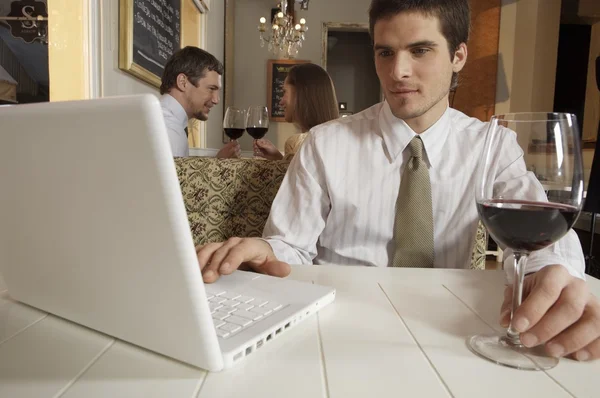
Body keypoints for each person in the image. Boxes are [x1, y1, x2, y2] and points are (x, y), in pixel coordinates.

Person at [196, 0, 600, 362]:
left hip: (448, 334)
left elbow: (542, 233)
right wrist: (263, 250)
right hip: (333, 329)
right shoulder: (325, 143)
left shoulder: (491, 147)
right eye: (385, 53)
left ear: (459, 55)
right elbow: (290, 247)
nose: (398, 71)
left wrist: (553, 274)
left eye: (420, 50)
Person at [159, 46, 240, 158]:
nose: (216, 100)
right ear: (183, 82)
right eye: (211, 88)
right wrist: (218, 164)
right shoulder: (169, 130)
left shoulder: (163, 119)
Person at [254, 63, 339, 160]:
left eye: (284, 92)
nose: (281, 102)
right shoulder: (337, 140)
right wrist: (279, 158)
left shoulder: (296, 143)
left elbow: (287, 175)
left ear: (300, 95)